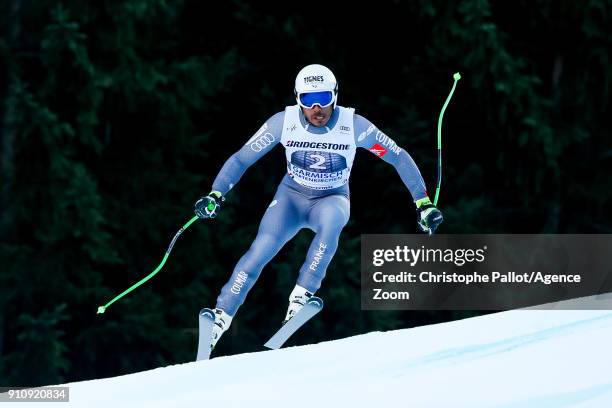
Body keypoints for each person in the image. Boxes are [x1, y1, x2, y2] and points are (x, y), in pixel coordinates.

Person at [194, 64, 443, 350]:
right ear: (297, 98)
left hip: (331, 197)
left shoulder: (355, 127)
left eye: (323, 98)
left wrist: (422, 203)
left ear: (335, 95)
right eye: (308, 99)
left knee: (333, 221)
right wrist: (215, 195)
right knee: (260, 250)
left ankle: (301, 297)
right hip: (291, 198)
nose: (316, 108)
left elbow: (397, 157)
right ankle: (221, 317)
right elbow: (240, 160)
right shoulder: (282, 123)